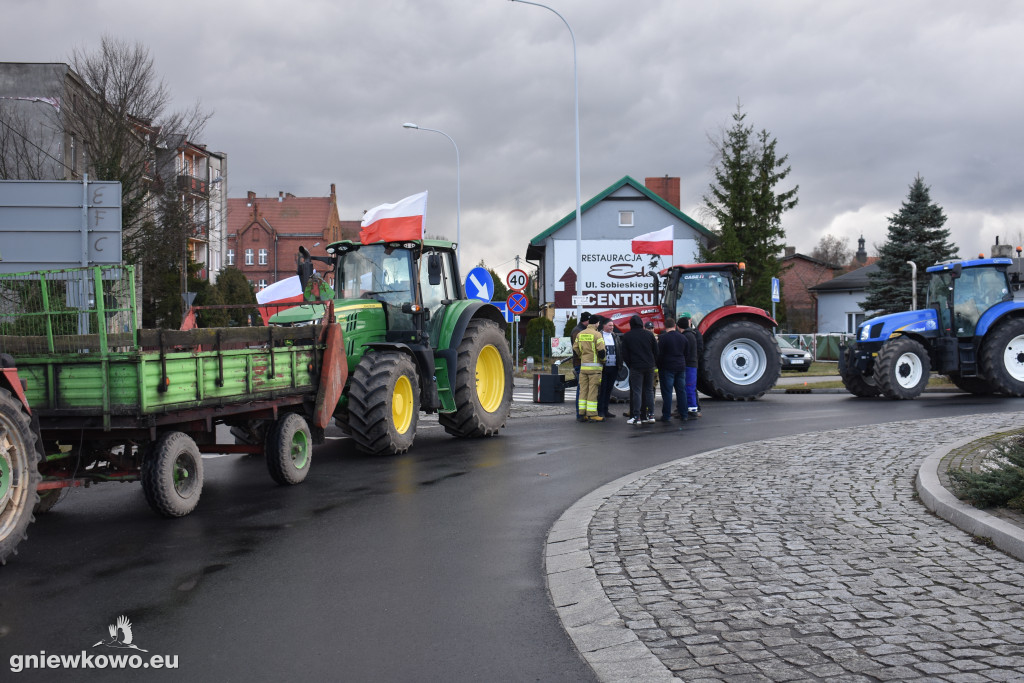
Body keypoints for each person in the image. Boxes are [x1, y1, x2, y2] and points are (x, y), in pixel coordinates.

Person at [618, 314, 658, 424]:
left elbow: (624, 354)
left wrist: (631, 364)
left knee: (637, 391)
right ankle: (651, 415)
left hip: (636, 367)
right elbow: (656, 351)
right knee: (649, 390)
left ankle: (636, 416)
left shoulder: (627, 336)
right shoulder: (649, 335)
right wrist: (652, 362)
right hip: (649, 366)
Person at [572, 314, 606, 422]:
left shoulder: (580, 334)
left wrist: (582, 356)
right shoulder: (597, 335)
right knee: (593, 391)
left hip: (583, 367)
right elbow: (601, 351)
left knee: (583, 390)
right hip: (595, 369)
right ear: (596, 323)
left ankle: (582, 414)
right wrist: (603, 361)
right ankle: (592, 414)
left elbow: (575, 348)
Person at [657, 317, 690, 422]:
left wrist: (659, 365)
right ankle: (684, 414)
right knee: (681, 392)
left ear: (665, 326)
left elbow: (659, 354)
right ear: (675, 326)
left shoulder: (663, 339)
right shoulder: (683, 338)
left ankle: (666, 415)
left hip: (667, 367)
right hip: (680, 366)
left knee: (667, 393)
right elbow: (686, 353)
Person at [596, 317, 620, 419]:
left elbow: (619, 350)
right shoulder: (599, 335)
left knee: (609, 390)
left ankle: (606, 410)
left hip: (613, 367)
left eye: (613, 326)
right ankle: (600, 410)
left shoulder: (615, 336)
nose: (612, 327)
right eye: (610, 325)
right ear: (604, 326)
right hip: (603, 368)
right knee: (602, 390)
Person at [679, 313, 702, 418]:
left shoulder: (687, 335)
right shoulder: (692, 334)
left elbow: (686, 352)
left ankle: (692, 409)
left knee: (688, 387)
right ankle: (692, 408)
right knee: (690, 387)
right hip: (692, 363)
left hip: (689, 364)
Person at [569, 312, 591, 421]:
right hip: (580, 364)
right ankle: (580, 414)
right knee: (581, 389)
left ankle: (583, 413)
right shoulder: (578, 331)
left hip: (583, 364)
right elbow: (577, 349)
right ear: (585, 321)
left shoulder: (580, 330)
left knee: (584, 389)